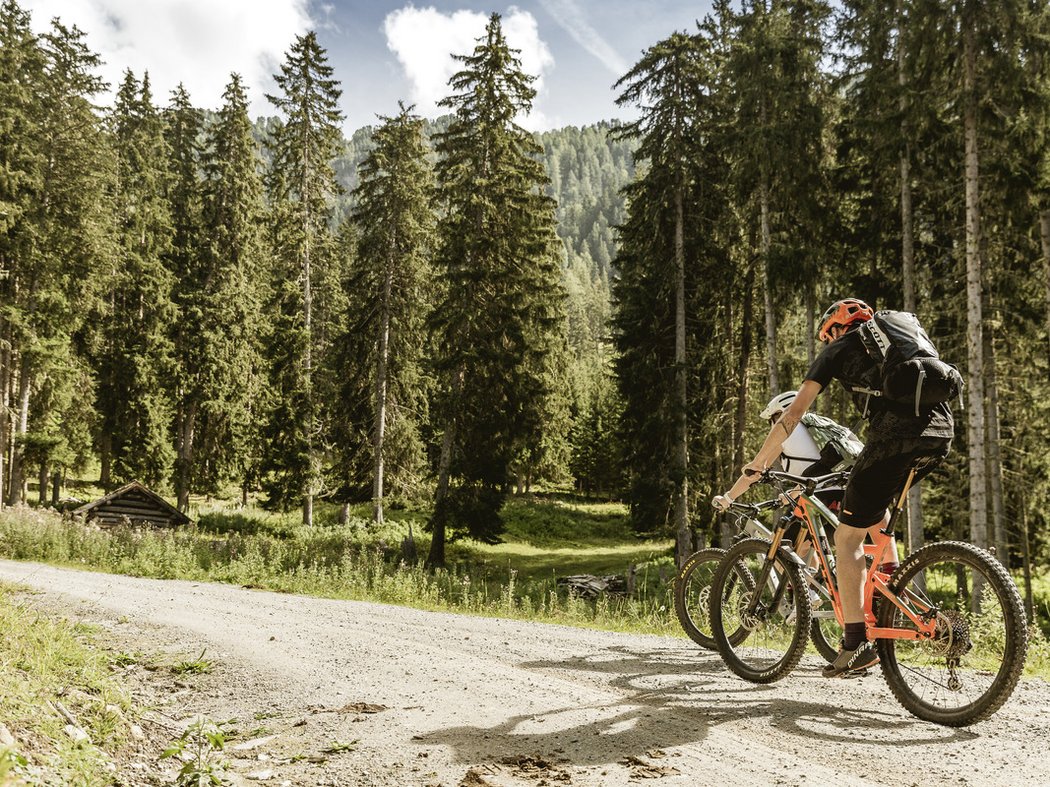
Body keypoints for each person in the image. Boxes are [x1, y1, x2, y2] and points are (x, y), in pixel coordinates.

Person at [714, 298, 953, 678]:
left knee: (846, 538)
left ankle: (856, 643)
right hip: (940, 432)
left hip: (895, 437)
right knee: (876, 515)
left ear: (834, 330)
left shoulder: (839, 349)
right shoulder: (900, 340)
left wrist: (759, 463)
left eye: (827, 336)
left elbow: (794, 416)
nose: (828, 341)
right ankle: (889, 590)